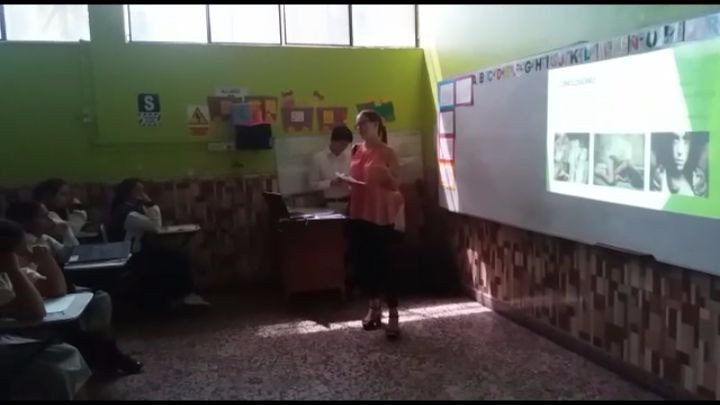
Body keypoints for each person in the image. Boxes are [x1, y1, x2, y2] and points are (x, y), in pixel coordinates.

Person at [3, 203, 143, 376]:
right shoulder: (14, 257)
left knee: (96, 300)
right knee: (88, 310)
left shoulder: (40, 243)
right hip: (25, 321)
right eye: (43, 217)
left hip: (46, 295)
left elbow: (70, 256)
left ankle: (105, 353)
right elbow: (37, 306)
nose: (49, 220)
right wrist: (22, 268)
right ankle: (105, 355)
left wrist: (61, 238)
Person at [0, 219, 91, 400]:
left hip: (20, 339)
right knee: (60, 365)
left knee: (68, 352)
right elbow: (36, 311)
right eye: (20, 253)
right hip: (7, 344)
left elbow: (57, 290)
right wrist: (14, 270)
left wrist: (46, 259)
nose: (27, 255)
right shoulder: (8, 274)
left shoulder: (9, 273)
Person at [341, 109, 405, 340]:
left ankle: (393, 313)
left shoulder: (388, 152)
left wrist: (386, 176)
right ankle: (374, 307)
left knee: (385, 265)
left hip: (380, 216)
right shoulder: (356, 149)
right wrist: (347, 182)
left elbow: (396, 185)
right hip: (359, 213)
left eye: (363, 123)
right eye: (357, 125)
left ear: (376, 124)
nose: (360, 128)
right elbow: (355, 180)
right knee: (364, 265)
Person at [107, 178, 209, 307]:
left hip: (132, 254)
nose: (142, 194)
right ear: (128, 194)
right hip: (133, 257)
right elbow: (156, 226)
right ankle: (183, 296)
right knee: (178, 259)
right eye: (139, 191)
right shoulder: (129, 214)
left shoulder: (127, 210)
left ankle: (178, 296)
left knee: (172, 256)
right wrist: (151, 204)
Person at [309, 125, 354, 213]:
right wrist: (331, 182)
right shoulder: (318, 159)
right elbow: (312, 184)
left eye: (346, 145)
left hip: (350, 203)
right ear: (333, 141)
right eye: (342, 144)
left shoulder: (351, 157)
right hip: (328, 205)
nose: (344, 147)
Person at [651, 132, 709, 197]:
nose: (680, 151)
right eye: (675, 140)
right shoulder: (660, 176)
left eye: (686, 141)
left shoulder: (698, 179)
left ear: (692, 144)